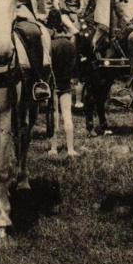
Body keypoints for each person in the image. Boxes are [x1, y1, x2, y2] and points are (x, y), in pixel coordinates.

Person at [45, 10, 80, 158]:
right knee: (68, 116)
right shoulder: (70, 44)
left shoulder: (49, 44)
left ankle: (53, 148)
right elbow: (74, 31)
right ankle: (71, 148)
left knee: (54, 115)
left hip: (53, 84)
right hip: (66, 83)